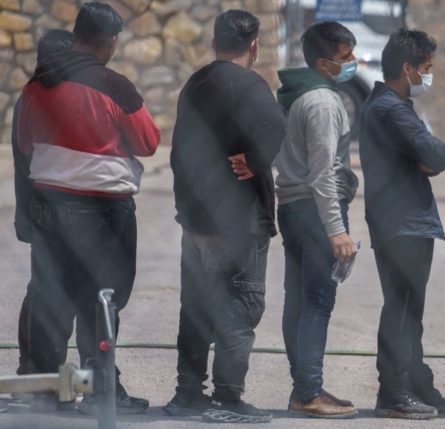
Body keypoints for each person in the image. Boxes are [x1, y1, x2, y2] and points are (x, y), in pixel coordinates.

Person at [16, 2, 159, 414]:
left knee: (51, 299)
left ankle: (48, 393)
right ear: (111, 41)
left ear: (76, 33)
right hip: (104, 212)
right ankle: (101, 391)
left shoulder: (36, 85)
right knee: (102, 300)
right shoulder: (115, 86)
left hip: (49, 208)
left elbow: (27, 144)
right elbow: (148, 142)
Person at [165, 9, 286, 424]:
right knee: (240, 306)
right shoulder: (251, 86)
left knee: (196, 307)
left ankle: (187, 393)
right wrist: (255, 160)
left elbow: (178, 154)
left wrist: (188, 214)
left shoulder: (195, 84)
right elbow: (274, 125)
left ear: (214, 43)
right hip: (238, 221)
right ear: (254, 45)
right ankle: (227, 400)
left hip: (197, 220)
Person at [359, 28, 445, 420]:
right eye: (426, 68)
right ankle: (393, 391)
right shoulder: (390, 109)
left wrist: (427, 154)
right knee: (400, 308)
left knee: (410, 309)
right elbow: (438, 154)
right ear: (407, 68)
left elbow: (428, 156)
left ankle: (414, 380)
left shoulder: (397, 106)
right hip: (401, 222)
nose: (429, 76)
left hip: (408, 220)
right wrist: (430, 151)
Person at [275, 21, 359, 418]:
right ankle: (308, 390)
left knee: (299, 301)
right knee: (317, 303)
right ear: (324, 63)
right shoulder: (325, 103)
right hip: (314, 209)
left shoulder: (298, 94)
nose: (353, 63)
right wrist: (337, 230)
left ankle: (304, 386)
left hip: (292, 206)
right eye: (345, 57)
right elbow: (323, 173)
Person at [11, 28, 74, 379]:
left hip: (39, 208)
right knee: (47, 290)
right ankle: (36, 367)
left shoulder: (32, 96)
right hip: (47, 209)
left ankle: (35, 365)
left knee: (42, 286)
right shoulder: (39, 99)